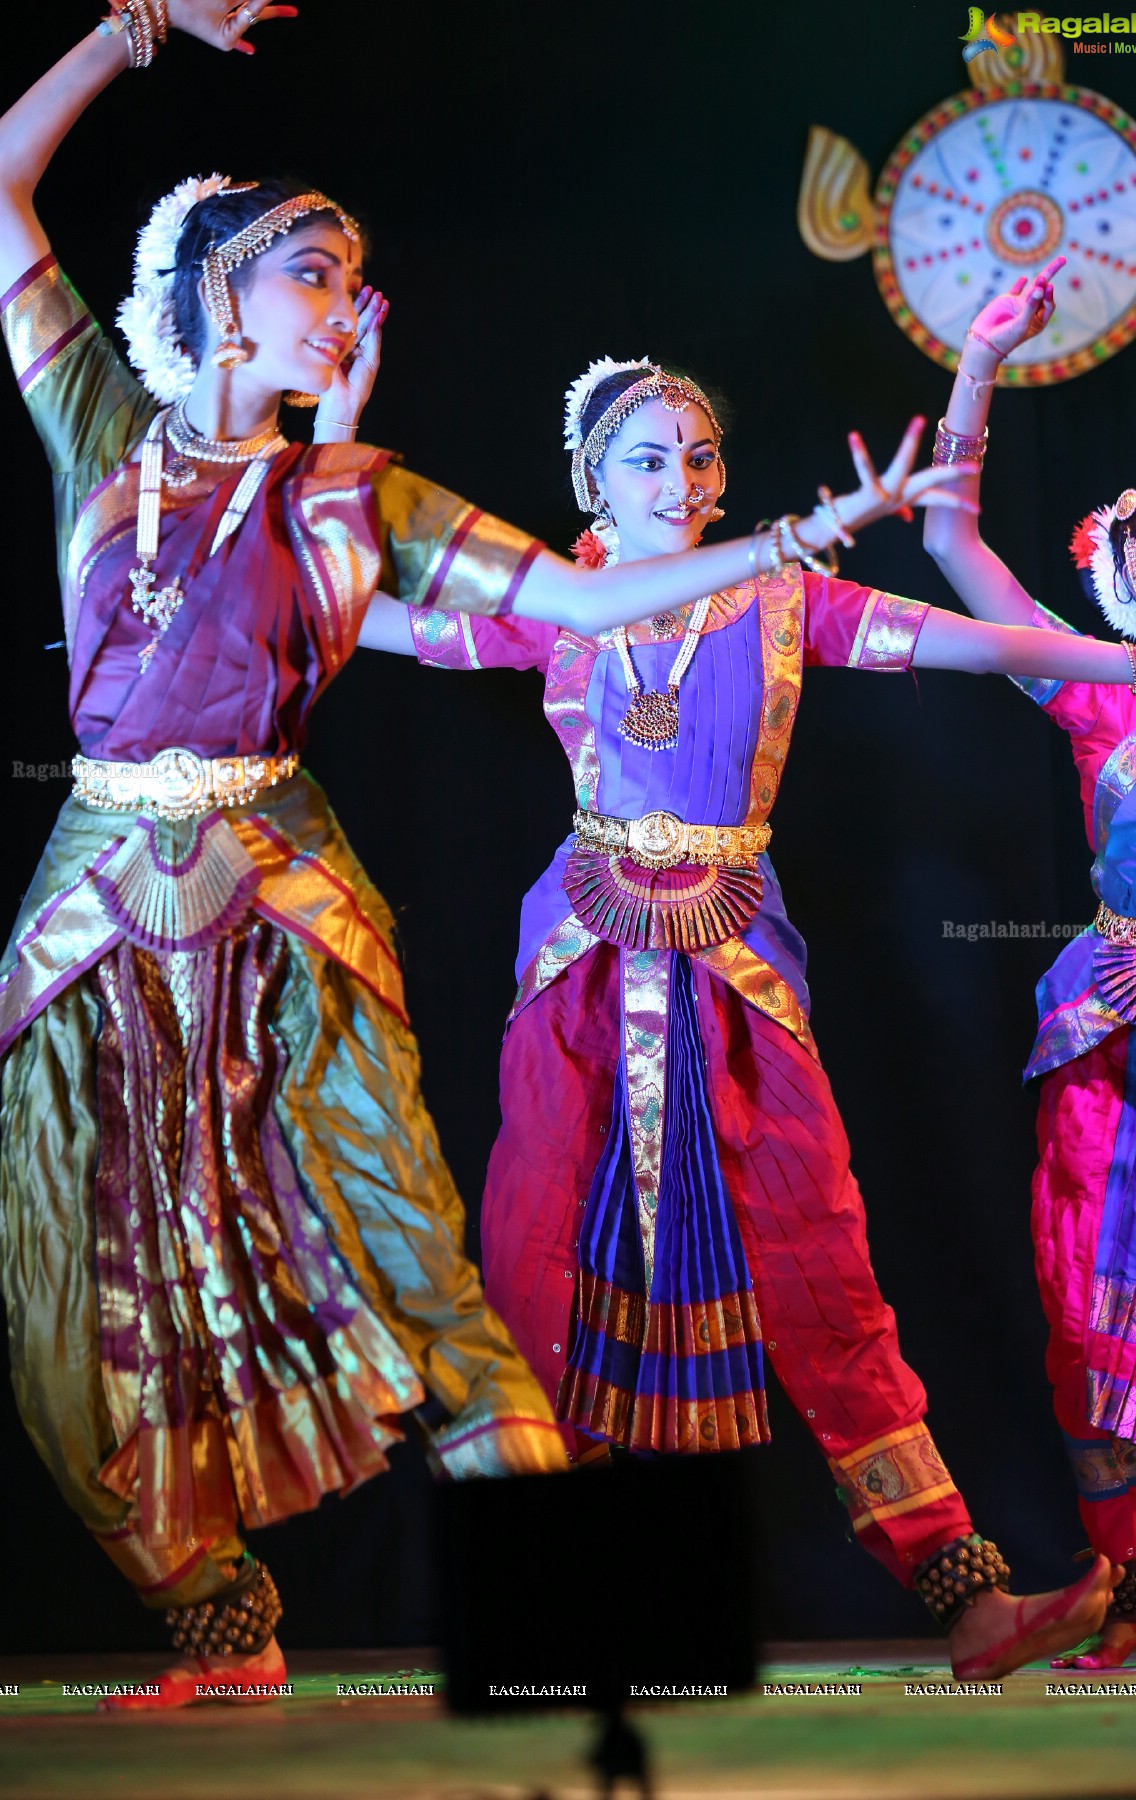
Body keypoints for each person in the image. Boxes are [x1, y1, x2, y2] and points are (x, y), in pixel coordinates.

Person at [0, 2, 928, 1708]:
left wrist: (787, 544)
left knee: (427, 1257)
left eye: (354, 280)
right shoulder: (92, 425)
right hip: (90, 900)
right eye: (318, 273)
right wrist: (133, 27)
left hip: (282, 885)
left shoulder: (356, 492)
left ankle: (580, 1642)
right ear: (218, 292)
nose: (350, 305)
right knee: (65, 1289)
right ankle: (221, 1620)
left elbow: (578, 596)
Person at [353, 327, 1136, 1676]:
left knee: (823, 1267)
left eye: (699, 455)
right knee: (532, 1271)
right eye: (647, 457)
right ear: (592, 478)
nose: (680, 477)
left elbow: (971, 643)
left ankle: (965, 1591)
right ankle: (539, 1614)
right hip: (579, 969)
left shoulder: (786, 600)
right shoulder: (551, 603)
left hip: (740, 971)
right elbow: (383, 623)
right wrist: (270, 545)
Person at [925, 255, 1136, 1668]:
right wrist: (977, 367)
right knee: (1089, 1301)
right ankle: (1131, 1583)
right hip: (1116, 1030)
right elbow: (958, 554)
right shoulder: (1107, 692)